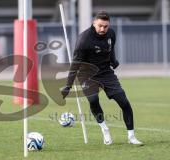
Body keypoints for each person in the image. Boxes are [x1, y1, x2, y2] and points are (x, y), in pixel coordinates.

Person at [61, 11, 143, 145]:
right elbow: (75, 64)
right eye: (100, 26)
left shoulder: (111, 33)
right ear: (94, 23)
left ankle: (131, 136)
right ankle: (104, 129)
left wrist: (113, 60)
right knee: (93, 99)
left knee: (124, 101)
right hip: (87, 74)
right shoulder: (84, 40)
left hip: (106, 72)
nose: (102, 29)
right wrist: (68, 86)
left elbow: (110, 48)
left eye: (105, 26)